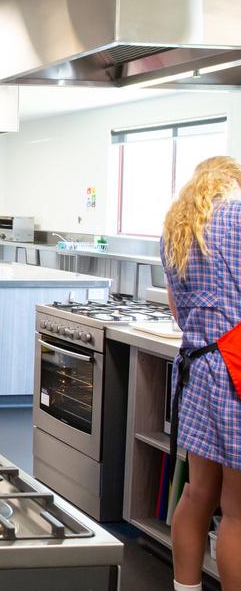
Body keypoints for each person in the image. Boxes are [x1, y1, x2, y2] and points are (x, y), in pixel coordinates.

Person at [160, 156, 241, 591]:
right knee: (237, 512)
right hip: (235, 372)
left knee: (196, 494)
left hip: (197, 371)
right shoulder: (238, 219)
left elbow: (178, 313)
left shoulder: (178, 228)